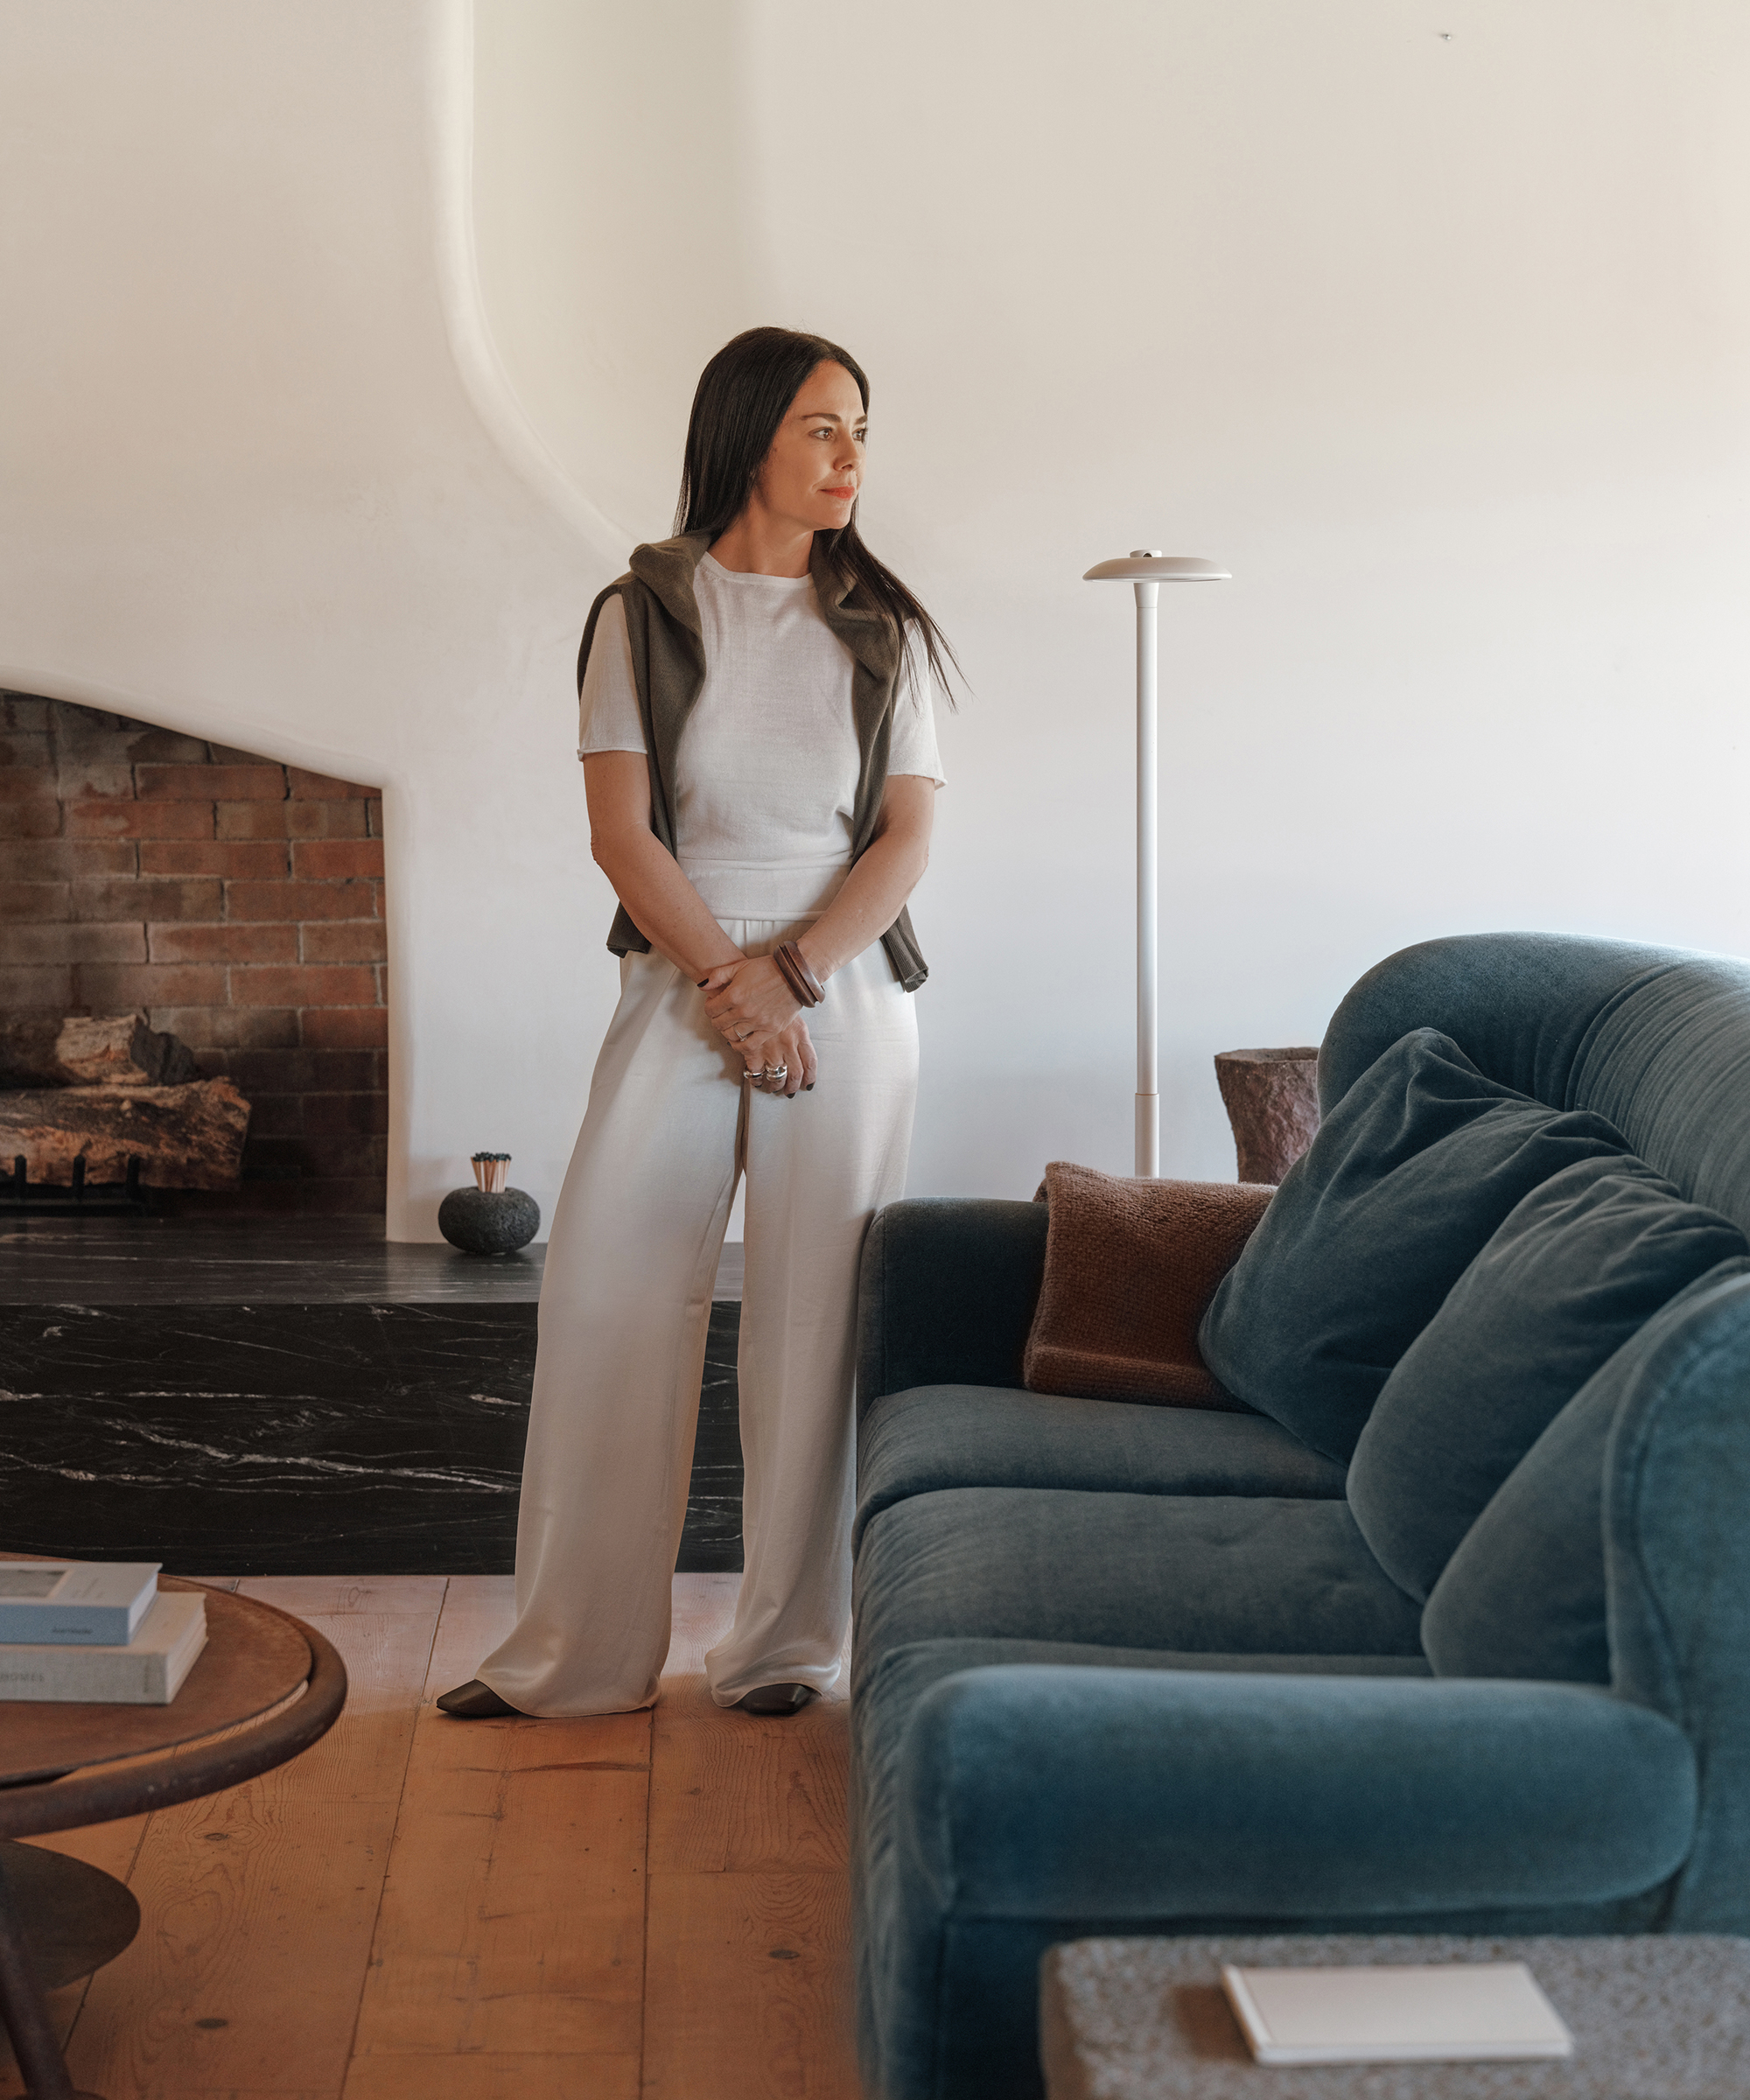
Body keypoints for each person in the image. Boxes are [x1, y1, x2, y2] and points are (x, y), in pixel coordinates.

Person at [438, 326, 953, 1719]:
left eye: (859, 431)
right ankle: (574, 1658)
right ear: (747, 436)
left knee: (816, 1318)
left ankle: (782, 1650)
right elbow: (621, 833)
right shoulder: (644, 611)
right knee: (608, 1296)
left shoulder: (885, 628)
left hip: (840, 989)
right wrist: (731, 980)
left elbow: (906, 839)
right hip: (684, 972)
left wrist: (788, 983)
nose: (851, 458)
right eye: (822, 428)